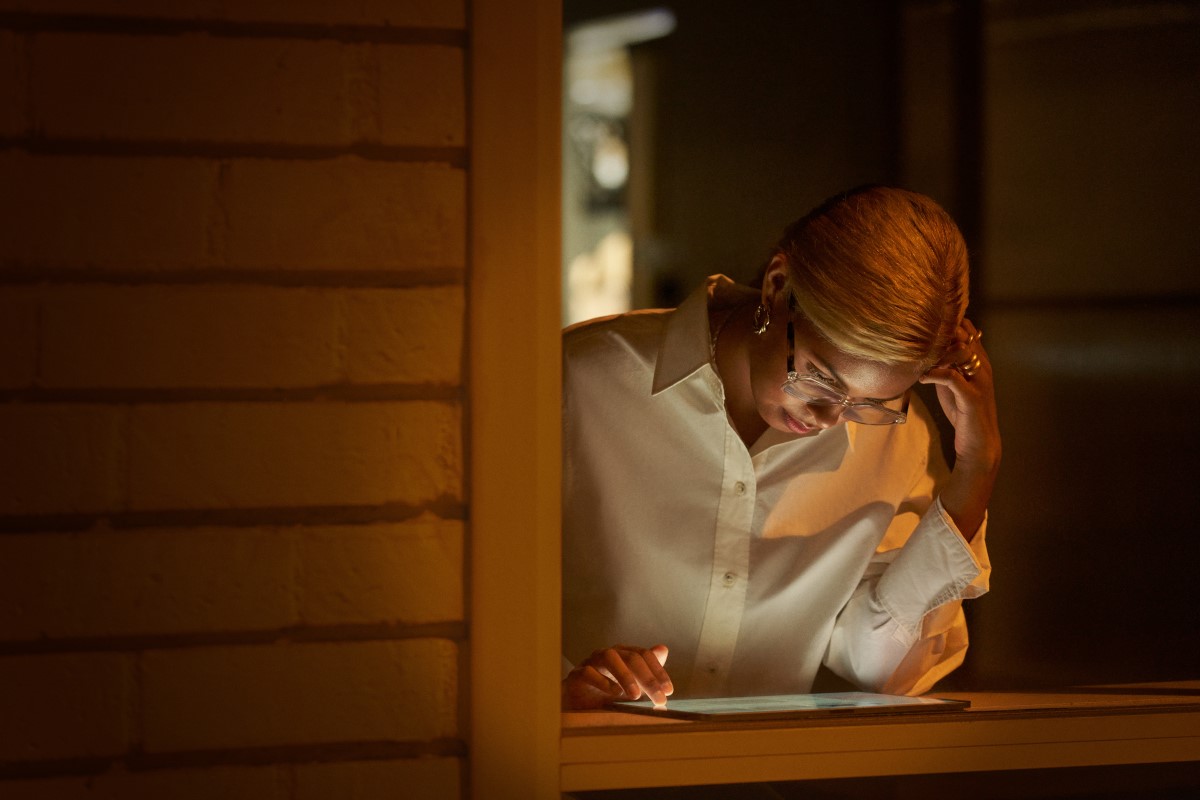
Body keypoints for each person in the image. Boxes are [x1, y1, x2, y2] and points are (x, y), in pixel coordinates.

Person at [561, 186, 1000, 710]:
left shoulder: (897, 439)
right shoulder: (580, 381)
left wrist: (976, 469)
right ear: (777, 284)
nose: (830, 418)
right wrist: (556, 685)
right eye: (820, 377)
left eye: (870, 402)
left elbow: (879, 669)